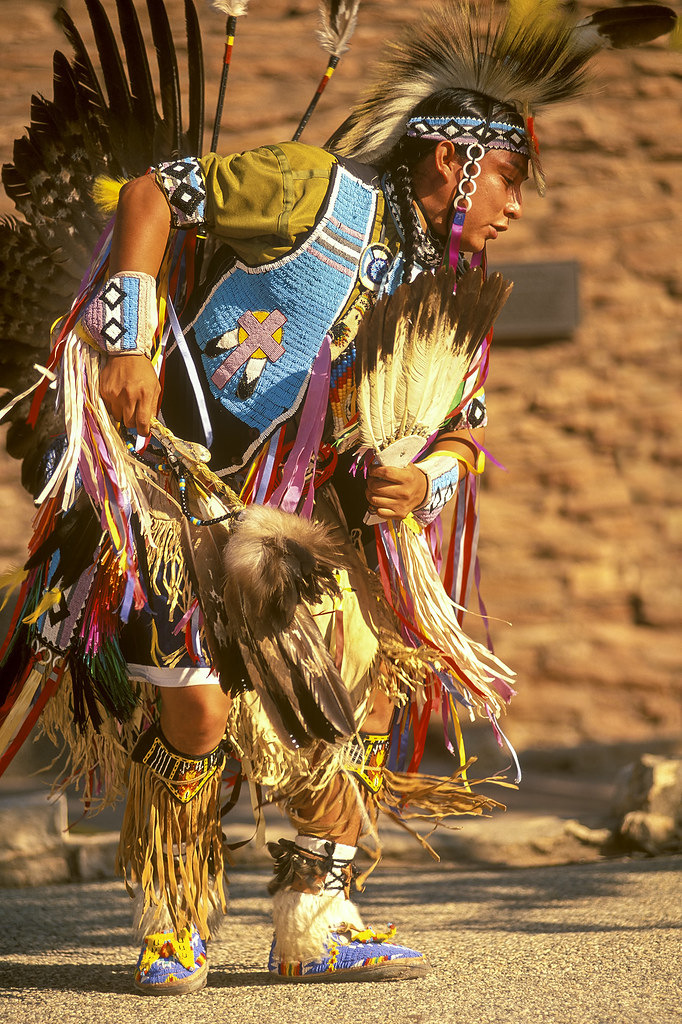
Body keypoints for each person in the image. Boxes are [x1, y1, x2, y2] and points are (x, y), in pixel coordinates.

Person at [0, 0, 676, 997]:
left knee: (322, 702)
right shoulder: (312, 194)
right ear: (452, 160)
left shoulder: (445, 285)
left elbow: (465, 427)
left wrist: (427, 476)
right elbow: (152, 192)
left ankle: (314, 920)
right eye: (510, 177)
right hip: (173, 475)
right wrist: (132, 337)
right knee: (192, 711)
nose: (516, 206)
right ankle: (174, 914)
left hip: (304, 528)